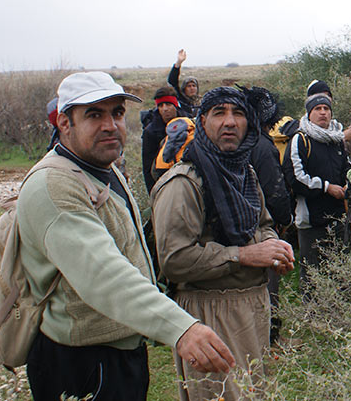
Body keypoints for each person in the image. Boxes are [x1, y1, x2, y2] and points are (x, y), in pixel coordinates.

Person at [16, 71, 234, 401]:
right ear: (64, 122)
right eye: (94, 114)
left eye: (117, 113)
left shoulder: (101, 167)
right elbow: (103, 275)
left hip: (119, 352)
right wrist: (180, 327)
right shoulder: (53, 186)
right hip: (80, 361)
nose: (110, 125)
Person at [151, 86, 295, 401]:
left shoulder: (245, 173)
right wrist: (243, 255)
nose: (229, 122)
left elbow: (264, 224)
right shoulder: (184, 183)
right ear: (202, 122)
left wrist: (276, 249)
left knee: (252, 393)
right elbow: (174, 259)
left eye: (238, 113)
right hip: (210, 311)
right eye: (219, 113)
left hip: (253, 307)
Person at [241, 84, 293, 343]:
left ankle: (253, 336)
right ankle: (270, 338)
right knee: (269, 283)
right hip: (264, 226)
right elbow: (275, 189)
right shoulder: (263, 146)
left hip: (239, 226)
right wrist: (284, 221)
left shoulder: (237, 142)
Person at [288, 91, 350, 290]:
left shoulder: (337, 139)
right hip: (311, 222)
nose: (323, 113)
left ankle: (343, 316)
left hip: (339, 218)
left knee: (341, 272)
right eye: (317, 109)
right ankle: (313, 318)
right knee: (313, 277)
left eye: (326, 109)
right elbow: (295, 178)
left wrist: (348, 183)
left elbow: (345, 167)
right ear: (309, 113)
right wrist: (326, 187)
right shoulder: (300, 140)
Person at [305, 79, 351, 153]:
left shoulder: (334, 127)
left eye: (328, 95)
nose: (325, 99)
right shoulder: (303, 133)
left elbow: (346, 150)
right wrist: (342, 137)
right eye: (318, 108)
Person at [141, 85, 181, 193]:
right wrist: (153, 194)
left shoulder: (188, 123)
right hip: (162, 182)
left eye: (168, 104)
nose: (165, 109)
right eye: (161, 105)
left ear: (175, 104)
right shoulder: (150, 132)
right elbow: (148, 168)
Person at [167, 48, 201, 117]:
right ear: (184, 88)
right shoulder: (181, 100)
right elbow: (172, 81)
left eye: (194, 86)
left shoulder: (202, 101)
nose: (192, 88)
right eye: (189, 86)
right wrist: (178, 63)